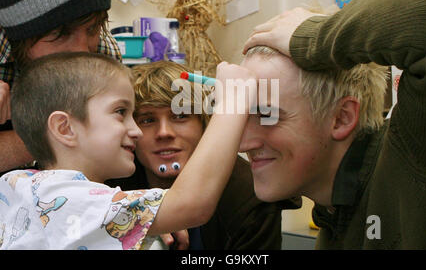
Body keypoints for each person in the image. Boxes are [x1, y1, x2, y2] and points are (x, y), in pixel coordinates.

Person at [239, 0, 426, 249]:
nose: (244, 143)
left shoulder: (416, 152)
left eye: (267, 114)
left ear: (342, 118)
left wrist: (313, 35)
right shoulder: (334, 223)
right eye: (244, 114)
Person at [0, 52, 256, 249]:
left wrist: (144, 219)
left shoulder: (17, 184)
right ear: (65, 128)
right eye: (120, 113)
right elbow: (191, 205)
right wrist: (233, 101)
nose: (136, 130)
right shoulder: (66, 199)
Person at [107, 61, 300, 249]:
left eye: (180, 116)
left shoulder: (249, 195)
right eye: (147, 120)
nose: (164, 132)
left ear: (204, 123)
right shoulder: (109, 188)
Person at [0, 0, 121, 172]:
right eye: (62, 33)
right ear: (20, 36)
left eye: (93, 28)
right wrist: (71, 137)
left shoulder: (103, 51)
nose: (82, 52)